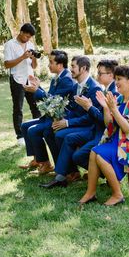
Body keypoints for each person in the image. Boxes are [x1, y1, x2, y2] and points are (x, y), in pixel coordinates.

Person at [77, 65, 129, 206]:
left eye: (119, 79)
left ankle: (117, 194)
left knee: (101, 155)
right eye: (115, 79)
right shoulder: (121, 98)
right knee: (94, 152)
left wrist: (113, 109)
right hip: (119, 140)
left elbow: (128, 128)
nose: (116, 82)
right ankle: (90, 193)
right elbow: (109, 124)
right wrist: (106, 108)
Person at [41, 60, 118, 188]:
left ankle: (106, 174)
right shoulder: (102, 89)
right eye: (97, 73)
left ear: (111, 75)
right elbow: (74, 109)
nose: (97, 75)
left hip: (99, 131)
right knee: (63, 136)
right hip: (94, 128)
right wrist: (60, 116)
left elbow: (104, 121)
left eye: (100, 73)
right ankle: (61, 175)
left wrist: (88, 107)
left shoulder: (106, 91)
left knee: (76, 152)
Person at [19, 50, 74, 174]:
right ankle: (37, 160)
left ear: (59, 65)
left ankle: (46, 164)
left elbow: (54, 102)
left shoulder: (66, 79)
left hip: (59, 118)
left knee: (33, 130)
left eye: (51, 62)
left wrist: (37, 90)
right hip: (50, 116)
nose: (48, 65)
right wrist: (38, 87)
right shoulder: (57, 77)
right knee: (24, 125)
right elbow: (50, 97)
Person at [44, 56, 102, 164]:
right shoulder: (76, 87)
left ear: (83, 68)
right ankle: (65, 169)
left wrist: (67, 123)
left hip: (89, 127)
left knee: (60, 135)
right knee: (49, 130)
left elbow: (91, 117)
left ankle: (66, 172)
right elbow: (72, 109)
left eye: (73, 66)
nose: (70, 69)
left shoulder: (94, 88)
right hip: (78, 123)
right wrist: (61, 118)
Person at [3, 23, 41, 146]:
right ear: (21, 32)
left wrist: (34, 58)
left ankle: (38, 131)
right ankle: (20, 136)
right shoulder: (10, 44)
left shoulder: (30, 45)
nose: (28, 39)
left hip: (29, 78)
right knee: (18, 108)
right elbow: (7, 64)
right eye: (27, 36)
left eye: (30, 37)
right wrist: (23, 57)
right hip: (17, 79)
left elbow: (34, 66)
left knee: (36, 106)